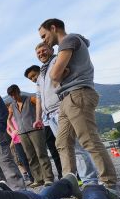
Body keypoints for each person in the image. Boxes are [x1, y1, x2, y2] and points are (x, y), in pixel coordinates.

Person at [38, 18, 118, 188]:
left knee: (89, 140)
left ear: (53, 28)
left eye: (44, 35)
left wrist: (58, 73)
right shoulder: (63, 47)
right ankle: (70, 185)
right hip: (65, 99)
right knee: (62, 143)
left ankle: (109, 184)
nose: (44, 40)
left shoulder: (68, 40)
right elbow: (55, 77)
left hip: (78, 94)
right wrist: (58, 73)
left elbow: (54, 76)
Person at [25, 42, 98, 185]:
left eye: (43, 50)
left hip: (62, 108)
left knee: (76, 147)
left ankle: (90, 181)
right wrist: (38, 117)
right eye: (38, 52)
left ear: (51, 49)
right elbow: (39, 98)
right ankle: (71, 181)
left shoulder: (58, 61)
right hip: (49, 115)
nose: (41, 54)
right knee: (63, 148)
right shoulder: (41, 76)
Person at [6, 84, 54, 187]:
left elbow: (41, 106)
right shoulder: (11, 106)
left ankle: (48, 178)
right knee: (30, 156)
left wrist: (39, 119)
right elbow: (8, 119)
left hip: (35, 130)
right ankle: (38, 179)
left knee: (41, 153)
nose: (13, 96)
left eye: (14, 93)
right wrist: (14, 130)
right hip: (22, 133)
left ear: (18, 91)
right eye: (11, 95)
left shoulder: (30, 99)